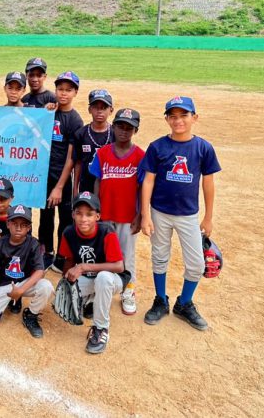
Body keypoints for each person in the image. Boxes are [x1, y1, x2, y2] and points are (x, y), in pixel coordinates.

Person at [140, 96, 221, 331]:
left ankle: (184, 303)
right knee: (160, 256)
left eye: (184, 115)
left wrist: (208, 216)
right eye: (172, 116)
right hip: (160, 212)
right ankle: (160, 300)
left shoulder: (203, 147)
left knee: (196, 263)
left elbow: (208, 183)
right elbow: (148, 182)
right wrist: (145, 215)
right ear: (166, 119)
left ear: (194, 117)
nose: (178, 121)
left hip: (188, 214)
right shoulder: (158, 147)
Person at [88, 108, 144, 315]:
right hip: (105, 214)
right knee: (102, 252)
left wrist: (140, 214)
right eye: (120, 125)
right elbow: (96, 181)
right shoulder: (102, 153)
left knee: (127, 256)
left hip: (128, 216)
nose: (123, 130)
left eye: (129, 127)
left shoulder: (140, 156)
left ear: (135, 130)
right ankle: (97, 289)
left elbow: (142, 188)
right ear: (114, 126)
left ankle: (128, 290)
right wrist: (95, 209)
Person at [59, 192, 129, 354]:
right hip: (90, 279)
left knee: (102, 278)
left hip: (113, 279)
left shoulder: (107, 231)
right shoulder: (69, 233)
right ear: (73, 215)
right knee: (65, 292)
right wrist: (65, 283)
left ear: (97, 216)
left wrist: (83, 267)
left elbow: (119, 266)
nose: (84, 219)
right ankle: (91, 300)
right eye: (79, 214)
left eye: (89, 214)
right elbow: (69, 260)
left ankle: (101, 328)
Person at [0, 204, 53, 338]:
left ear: (29, 227)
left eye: (23, 225)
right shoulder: (0, 243)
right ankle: (6, 304)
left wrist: (20, 289)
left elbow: (39, 271)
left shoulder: (33, 244)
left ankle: (31, 314)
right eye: (15, 223)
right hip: (5, 284)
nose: (18, 228)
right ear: (8, 224)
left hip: (24, 283)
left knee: (46, 287)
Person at [39, 71, 83, 272]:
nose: (63, 93)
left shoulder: (75, 120)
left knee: (65, 218)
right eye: (60, 89)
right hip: (44, 174)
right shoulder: (50, 112)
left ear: (75, 92)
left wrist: (59, 186)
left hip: (62, 177)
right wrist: (45, 110)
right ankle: (46, 252)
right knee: (45, 216)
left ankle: (62, 256)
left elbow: (71, 159)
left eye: (68, 90)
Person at [74, 89, 115, 195]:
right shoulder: (81, 134)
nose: (99, 111)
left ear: (111, 110)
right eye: (95, 107)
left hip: (109, 185)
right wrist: (75, 189)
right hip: (86, 186)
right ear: (89, 109)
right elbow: (78, 162)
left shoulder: (115, 134)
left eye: (104, 108)